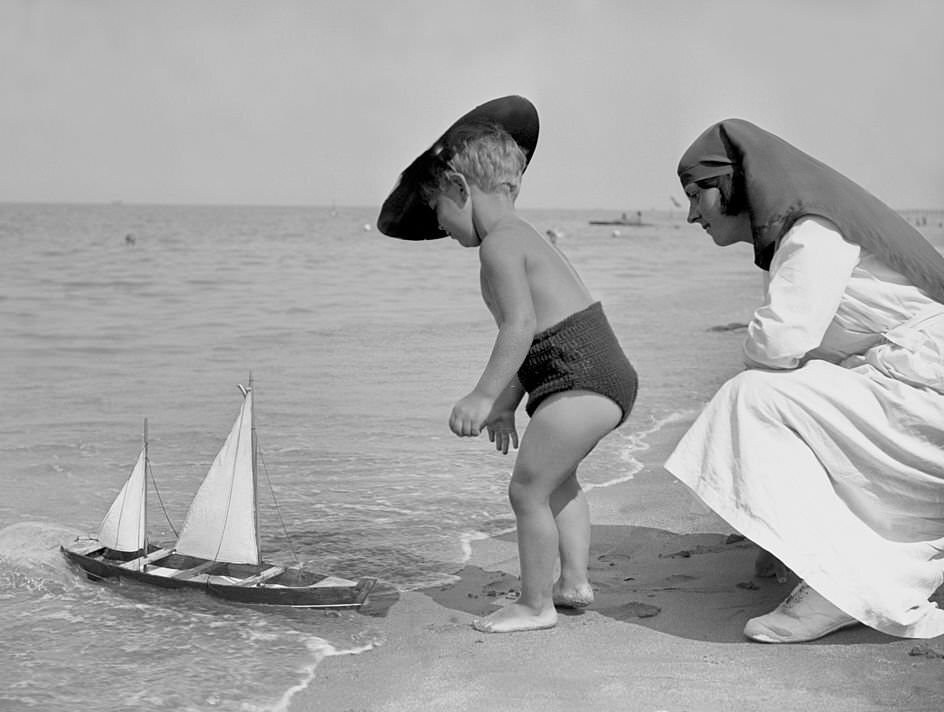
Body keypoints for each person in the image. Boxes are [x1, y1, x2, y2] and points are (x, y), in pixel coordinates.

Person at [665, 118, 944, 643]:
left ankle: (841, 585)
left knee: (749, 398)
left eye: (694, 193)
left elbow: (777, 344)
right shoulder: (812, 226)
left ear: (732, 183)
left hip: (928, 395)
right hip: (922, 390)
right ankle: (832, 562)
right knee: (785, 392)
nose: (689, 214)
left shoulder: (811, 231)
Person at [378, 96, 637, 633]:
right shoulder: (523, 238)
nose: (441, 227)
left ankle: (536, 604)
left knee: (526, 491)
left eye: (438, 211)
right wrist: (506, 404)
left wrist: (480, 395)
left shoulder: (498, 247)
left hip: (579, 377)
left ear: (459, 189)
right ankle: (574, 582)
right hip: (596, 374)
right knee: (558, 481)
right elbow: (539, 334)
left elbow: (517, 328)